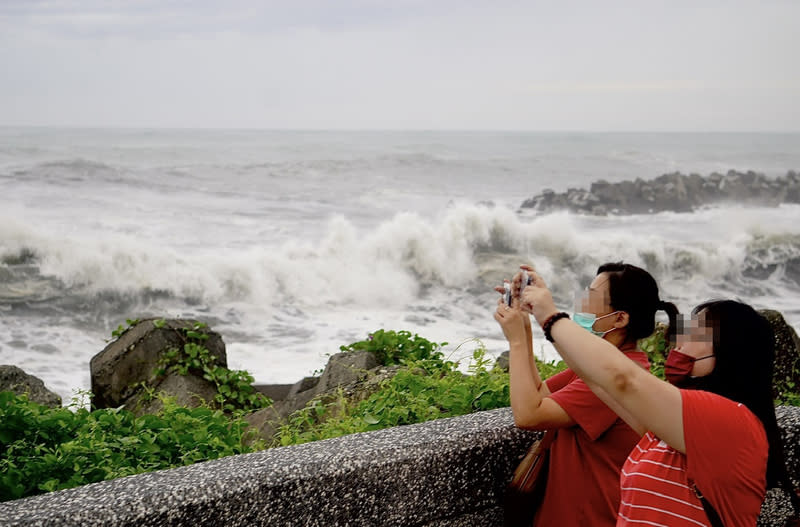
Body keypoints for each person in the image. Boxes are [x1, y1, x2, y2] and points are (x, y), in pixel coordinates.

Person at [517, 270, 800, 526]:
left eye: (695, 334)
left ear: (730, 352)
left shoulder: (732, 421)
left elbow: (621, 380)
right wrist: (526, 328)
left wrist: (551, 317)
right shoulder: (673, 430)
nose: (679, 342)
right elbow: (603, 382)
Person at [494, 262, 679, 526]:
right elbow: (538, 393)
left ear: (620, 318)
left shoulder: (617, 378)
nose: (582, 303)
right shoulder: (603, 365)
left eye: (591, 296)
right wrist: (524, 322)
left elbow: (528, 414)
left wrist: (516, 342)